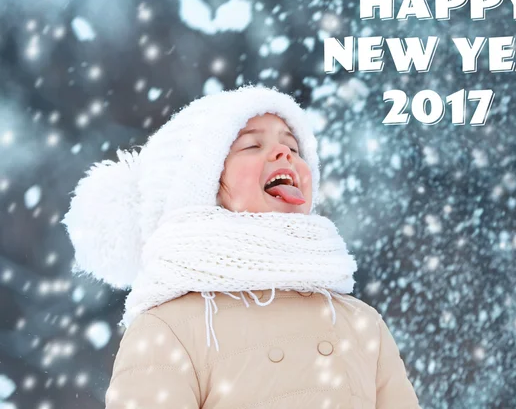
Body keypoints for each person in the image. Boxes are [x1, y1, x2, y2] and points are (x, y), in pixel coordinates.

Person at [61, 84, 421, 408]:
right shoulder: (169, 327)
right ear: (198, 185)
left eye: (293, 146)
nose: (284, 153)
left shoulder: (360, 323)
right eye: (252, 144)